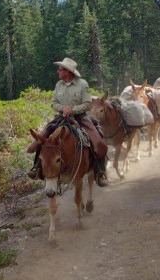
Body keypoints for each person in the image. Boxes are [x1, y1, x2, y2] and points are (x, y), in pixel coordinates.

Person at [26, 57, 109, 187]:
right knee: (43, 138)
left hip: (80, 117)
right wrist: (63, 108)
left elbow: (87, 104)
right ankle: (37, 167)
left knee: (96, 138)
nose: (58, 71)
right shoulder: (58, 85)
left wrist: (73, 110)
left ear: (68, 72)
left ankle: (99, 172)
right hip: (62, 117)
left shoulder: (82, 84)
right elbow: (53, 103)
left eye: (60, 69)